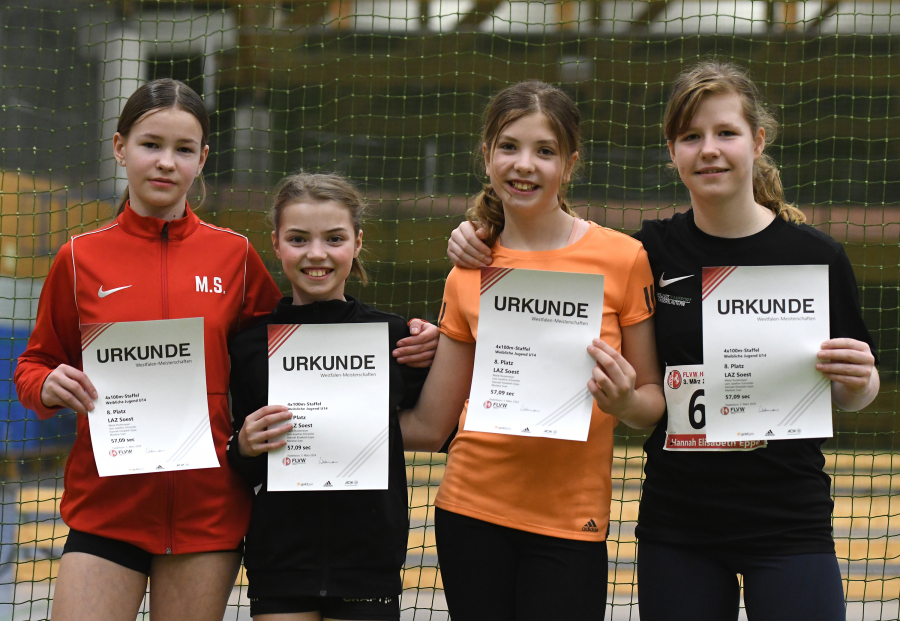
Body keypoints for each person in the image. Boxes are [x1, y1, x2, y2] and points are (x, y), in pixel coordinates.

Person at [446, 61, 879, 621]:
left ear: (758, 140)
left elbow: (850, 393)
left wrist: (860, 382)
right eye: (691, 137)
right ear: (672, 149)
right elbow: (559, 247)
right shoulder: (650, 252)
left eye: (726, 132)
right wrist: (478, 233)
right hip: (680, 524)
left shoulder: (817, 256)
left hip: (789, 519)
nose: (709, 150)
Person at [13, 79, 436, 621]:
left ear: (202, 159)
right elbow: (34, 363)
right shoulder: (78, 259)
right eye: (151, 145)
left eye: (183, 149)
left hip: (208, 515)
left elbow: (302, 331)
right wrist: (46, 386)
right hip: (106, 510)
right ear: (120, 148)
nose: (166, 162)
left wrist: (407, 339)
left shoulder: (232, 257)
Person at [399, 80, 665, 621]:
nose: (525, 165)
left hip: (570, 522)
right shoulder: (468, 269)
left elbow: (651, 398)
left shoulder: (624, 257)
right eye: (509, 146)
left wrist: (623, 404)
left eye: (544, 151)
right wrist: (315, 420)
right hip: (469, 510)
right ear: (487, 156)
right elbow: (431, 424)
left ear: (570, 163)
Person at [226, 172, 431, 621]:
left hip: (369, 561)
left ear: (357, 242)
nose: (316, 254)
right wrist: (243, 446)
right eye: (299, 239)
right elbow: (239, 459)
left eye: (333, 238)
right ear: (277, 243)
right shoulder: (249, 345)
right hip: (280, 561)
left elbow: (438, 426)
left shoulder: (395, 338)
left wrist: (444, 348)